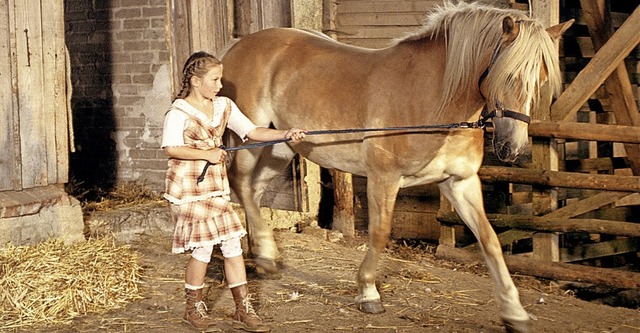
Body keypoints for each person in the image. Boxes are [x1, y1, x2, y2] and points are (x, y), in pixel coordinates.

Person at [161, 51, 306, 332]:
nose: (219, 85)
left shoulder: (223, 106)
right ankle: (192, 309)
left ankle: (242, 308)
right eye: (214, 79)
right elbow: (170, 148)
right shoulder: (178, 112)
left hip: (215, 186)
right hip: (188, 187)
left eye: (220, 79)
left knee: (231, 245)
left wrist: (286, 133)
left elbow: (252, 132)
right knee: (203, 248)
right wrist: (206, 154)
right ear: (194, 81)